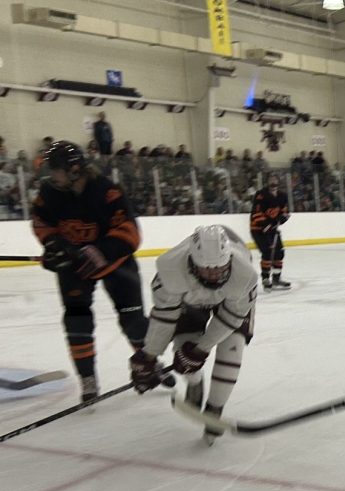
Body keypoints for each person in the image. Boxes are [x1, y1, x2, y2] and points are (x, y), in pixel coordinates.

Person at [30, 140, 148, 404]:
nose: (50, 175)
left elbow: (130, 232)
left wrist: (100, 252)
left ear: (74, 170)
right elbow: (40, 221)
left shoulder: (107, 191)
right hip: (75, 268)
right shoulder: (48, 194)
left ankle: (147, 363)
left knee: (134, 321)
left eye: (55, 169)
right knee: (76, 319)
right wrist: (53, 245)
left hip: (115, 265)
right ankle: (88, 378)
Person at [130, 225, 257, 445]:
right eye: (207, 269)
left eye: (219, 268)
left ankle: (215, 409)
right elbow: (164, 319)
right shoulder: (170, 269)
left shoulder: (245, 275)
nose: (214, 274)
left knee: (232, 348)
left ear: (229, 259)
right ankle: (195, 381)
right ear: (190, 262)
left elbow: (232, 318)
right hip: (190, 300)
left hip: (230, 303)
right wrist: (149, 357)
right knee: (182, 349)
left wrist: (201, 349)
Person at [250, 174, 290, 290]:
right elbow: (256, 213)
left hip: (272, 229)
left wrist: (282, 218)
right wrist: (266, 225)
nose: (273, 183)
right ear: (267, 182)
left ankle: (277, 279)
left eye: (275, 180)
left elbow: (285, 212)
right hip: (258, 229)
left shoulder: (282, 196)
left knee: (279, 252)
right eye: (271, 180)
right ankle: (266, 278)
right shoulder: (261, 195)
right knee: (267, 251)